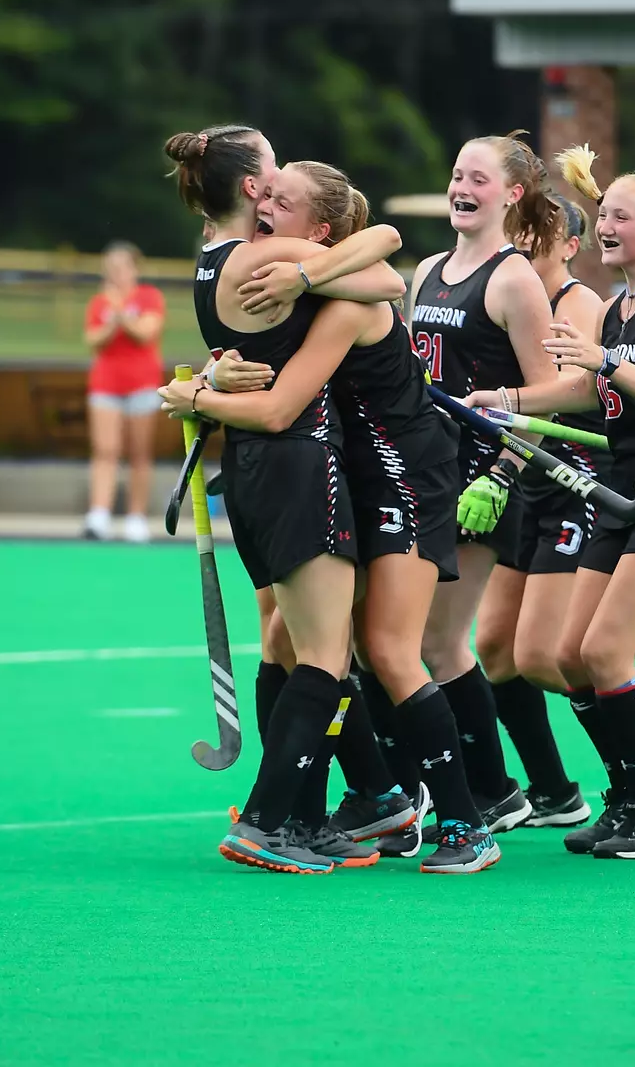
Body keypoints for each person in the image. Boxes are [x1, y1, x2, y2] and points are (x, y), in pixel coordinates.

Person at [192, 158, 503, 873]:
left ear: (321, 232)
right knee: (290, 637)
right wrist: (212, 372)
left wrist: (199, 400)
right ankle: (342, 802)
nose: (264, 208)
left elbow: (284, 398)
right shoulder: (302, 287)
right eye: (263, 195)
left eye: (283, 202)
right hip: (353, 478)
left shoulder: (345, 299)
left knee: (390, 649)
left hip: (407, 479)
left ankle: (463, 823)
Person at [156, 123, 423, 875]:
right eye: (270, 174)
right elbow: (387, 273)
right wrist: (315, 273)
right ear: (249, 189)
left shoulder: (210, 260)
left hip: (252, 471)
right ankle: (270, 822)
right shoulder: (267, 254)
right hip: (301, 461)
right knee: (325, 655)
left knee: (297, 645)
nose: (276, 184)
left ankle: (357, 799)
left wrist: (196, 391)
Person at [467, 145, 635, 860]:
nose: (607, 223)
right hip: (628, 496)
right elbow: (590, 391)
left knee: (607, 649)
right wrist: (510, 400)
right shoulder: (618, 307)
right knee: (567, 655)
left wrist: (608, 361)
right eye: (605, 212)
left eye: (623, 215)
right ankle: (631, 791)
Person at [403, 132, 562, 834]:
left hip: (480, 480)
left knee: (438, 645)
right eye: (457, 174)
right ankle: (466, 787)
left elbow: (548, 393)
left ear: (511, 194)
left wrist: (501, 474)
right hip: (423, 472)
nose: (461, 188)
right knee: (399, 644)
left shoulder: (514, 278)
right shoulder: (428, 269)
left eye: (479, 178)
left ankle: (494, 791)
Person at [468, 197, 602, 828]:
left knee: (544, 657)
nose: (523, 243)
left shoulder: (578, 307)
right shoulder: (508, 292)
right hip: (524, 481)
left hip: (572, 485)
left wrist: (505, 439)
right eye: (518, 232)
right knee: (494, 648)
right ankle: (553, 791)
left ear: (571, 246)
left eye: (540, 236)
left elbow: (564, 398)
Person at [82, 242, 166, 542]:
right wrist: (112, 319)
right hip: (105, 385)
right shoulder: (99, 302)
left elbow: (145, 333)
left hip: (141, 383)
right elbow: (93, 339)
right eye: (111, 268)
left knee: (139, 453)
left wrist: (121, 314)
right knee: (105, 450)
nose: (116, 274)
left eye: (122, 267)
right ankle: (99, 514)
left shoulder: (149, 298)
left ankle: (136, 517)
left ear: (135, 269)